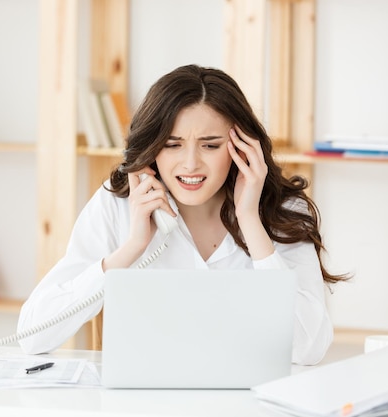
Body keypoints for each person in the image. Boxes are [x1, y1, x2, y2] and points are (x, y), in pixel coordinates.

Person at [17, 64, 348, 366]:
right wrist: (131, 248)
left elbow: (308, 349)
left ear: (242, 147)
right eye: (173, 145)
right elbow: (32, 335)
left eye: (210, 145)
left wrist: (250, 222)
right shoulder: (117, 205)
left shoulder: (283, 211)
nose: (190, 164)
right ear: (151, 148)